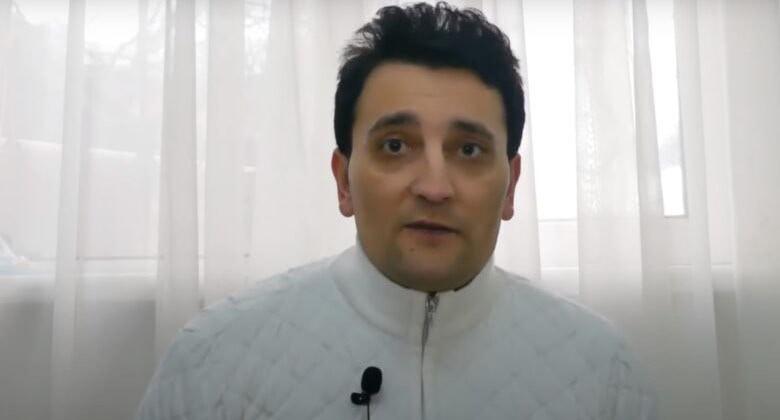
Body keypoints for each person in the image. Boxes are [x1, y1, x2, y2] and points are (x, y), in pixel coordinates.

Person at [136, 2, 658, 419]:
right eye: (394, 146)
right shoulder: (212, 360)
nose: (434, 187)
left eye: (469, 149)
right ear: (343, 180)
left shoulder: (603, 372)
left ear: (510, 188)